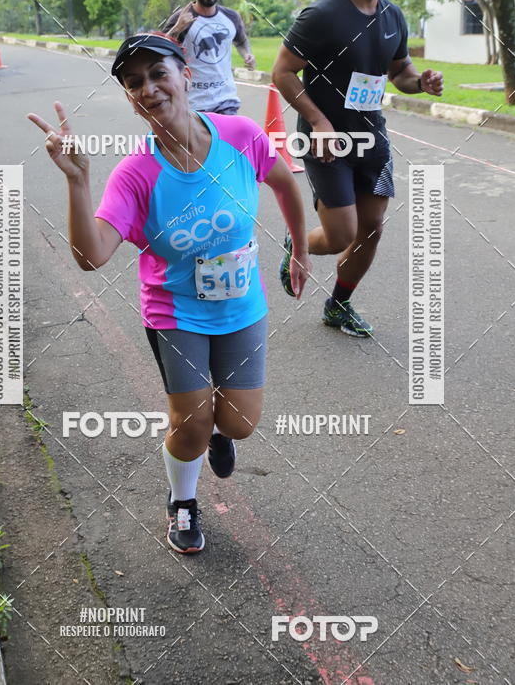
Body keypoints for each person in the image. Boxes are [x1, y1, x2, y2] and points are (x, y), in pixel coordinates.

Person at [28, 32, 310, 554]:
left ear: (186, 75)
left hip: (242, 305)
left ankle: (218, 433)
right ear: (130, 99)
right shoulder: (135, 174)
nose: (149, 88)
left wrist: (298, 249)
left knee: (240, 423)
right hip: (175, 313)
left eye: (159, 73)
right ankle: (182, 502)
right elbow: (92, 256)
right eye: (135, 83)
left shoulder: (242, 135)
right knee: (191, 421)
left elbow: (286, 184)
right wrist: (77, 181)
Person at [273, 0, 443, 337]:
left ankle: (339, 304)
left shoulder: (393, 16)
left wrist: (420, 82)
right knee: (340, 233)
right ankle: (297, 243)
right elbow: (282, 72)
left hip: (372, 138)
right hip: (326, 140)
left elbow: (400, 70)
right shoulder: (323, 15)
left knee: (371, 230)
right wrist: (319, 122)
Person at [164, 0, 256, 115]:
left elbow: (241, 41)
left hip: (226, 101)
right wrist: (177, 28)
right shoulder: (182, 18)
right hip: (193, 105)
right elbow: (160, 50)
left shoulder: (231, 17)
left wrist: (247, 54)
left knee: (226, 139)